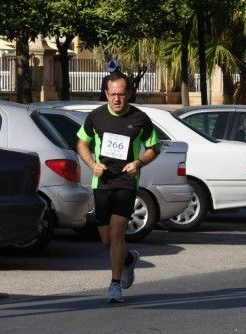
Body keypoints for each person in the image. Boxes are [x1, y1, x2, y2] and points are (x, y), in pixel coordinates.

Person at [77, 71, 160, 303]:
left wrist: (139, 162)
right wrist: (93, 164)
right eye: (112, 94)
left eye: (121, 94)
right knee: (106, 239)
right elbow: (82, 143)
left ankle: (114, 285)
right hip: (102, 182)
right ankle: (128, 261)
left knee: (117, 232)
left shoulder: (140, 118)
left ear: (129, 94)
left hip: (126, 182)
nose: (116, 99)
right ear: (106, 93)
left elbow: (155, 147)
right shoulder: (96, 117)